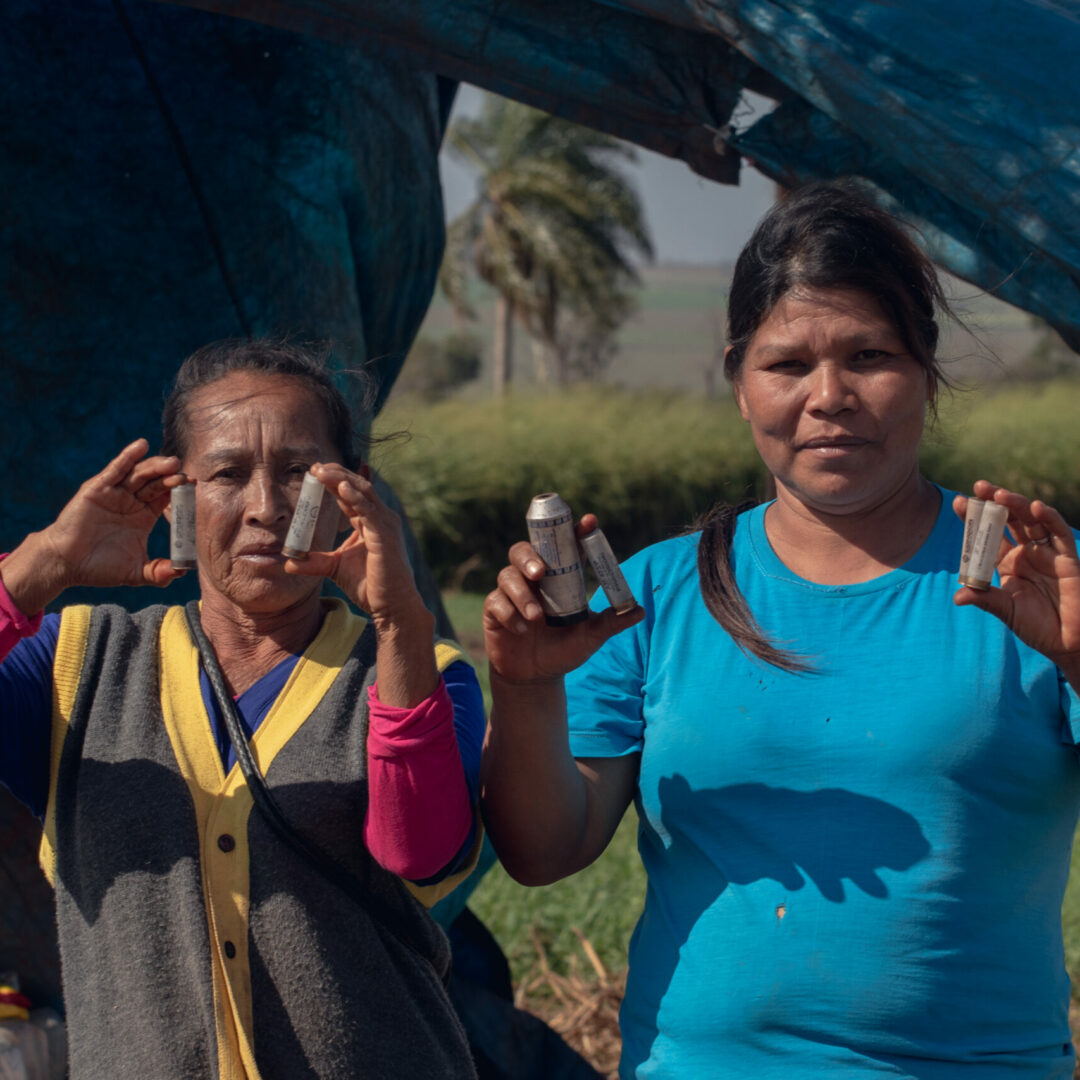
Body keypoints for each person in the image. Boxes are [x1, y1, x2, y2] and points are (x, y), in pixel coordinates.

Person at [480, 182, 1080, 1078]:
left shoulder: (1034, 586)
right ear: (738, 381)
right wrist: (526, 688)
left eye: (870, 355)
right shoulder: (651, 596)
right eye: (788, 364)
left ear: (925, 370)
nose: (829, 396)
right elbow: (542, 852)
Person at [0, 340, 483, 1079]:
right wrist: (44, 565)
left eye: (299, 472)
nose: (266, 507)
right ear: (174, 498)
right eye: (228, 474)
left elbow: (421, 853)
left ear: (351, 495)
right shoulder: (73, 667)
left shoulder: (420, 671)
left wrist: (401, 624)